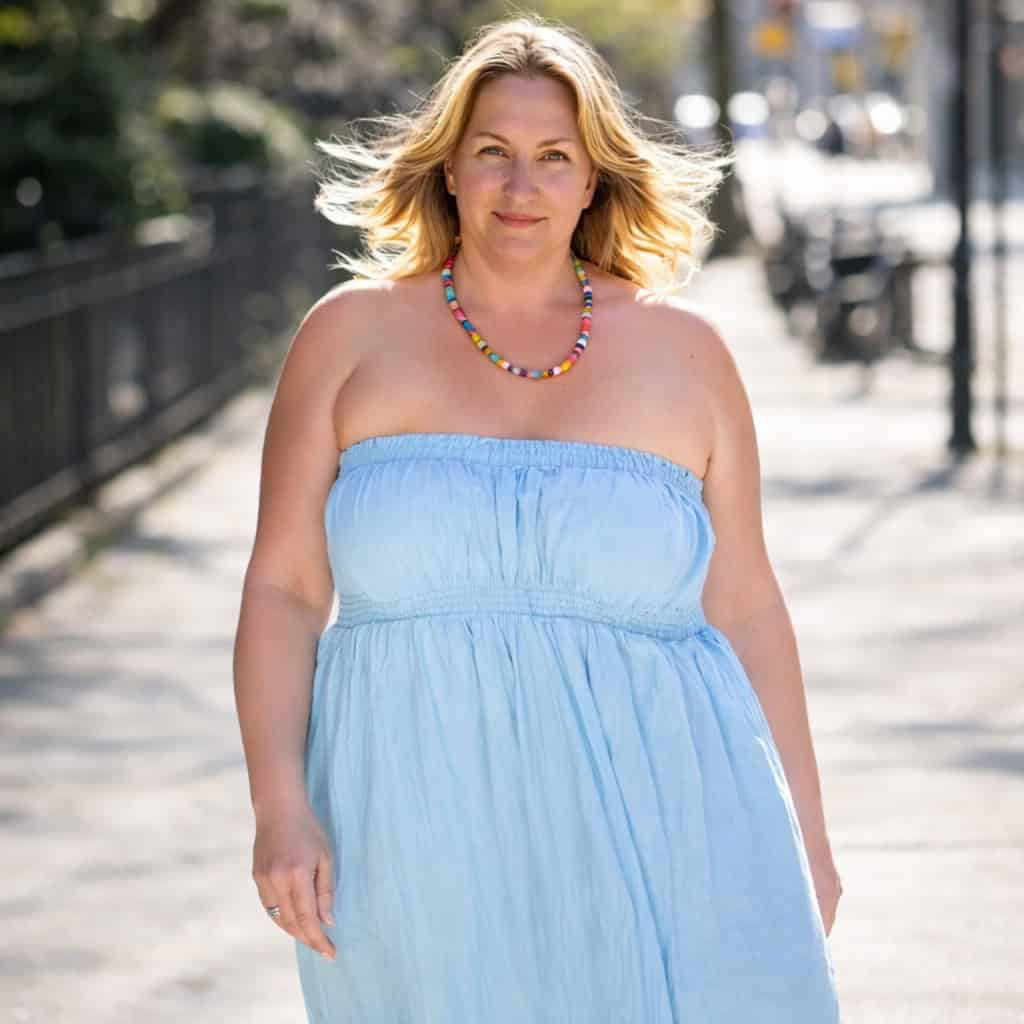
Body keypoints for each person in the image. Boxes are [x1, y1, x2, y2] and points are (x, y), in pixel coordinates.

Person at [232, 13, 843, 1022]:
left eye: (553, 158)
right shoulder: (346, 339)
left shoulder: (684, 354)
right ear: (449, 171)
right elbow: (284, 590)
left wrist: (807, 839)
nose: (522, 187)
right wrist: (278, 806)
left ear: (592, 178)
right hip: (411, 828)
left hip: (672, 822)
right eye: (494, 155)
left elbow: (745, 605)